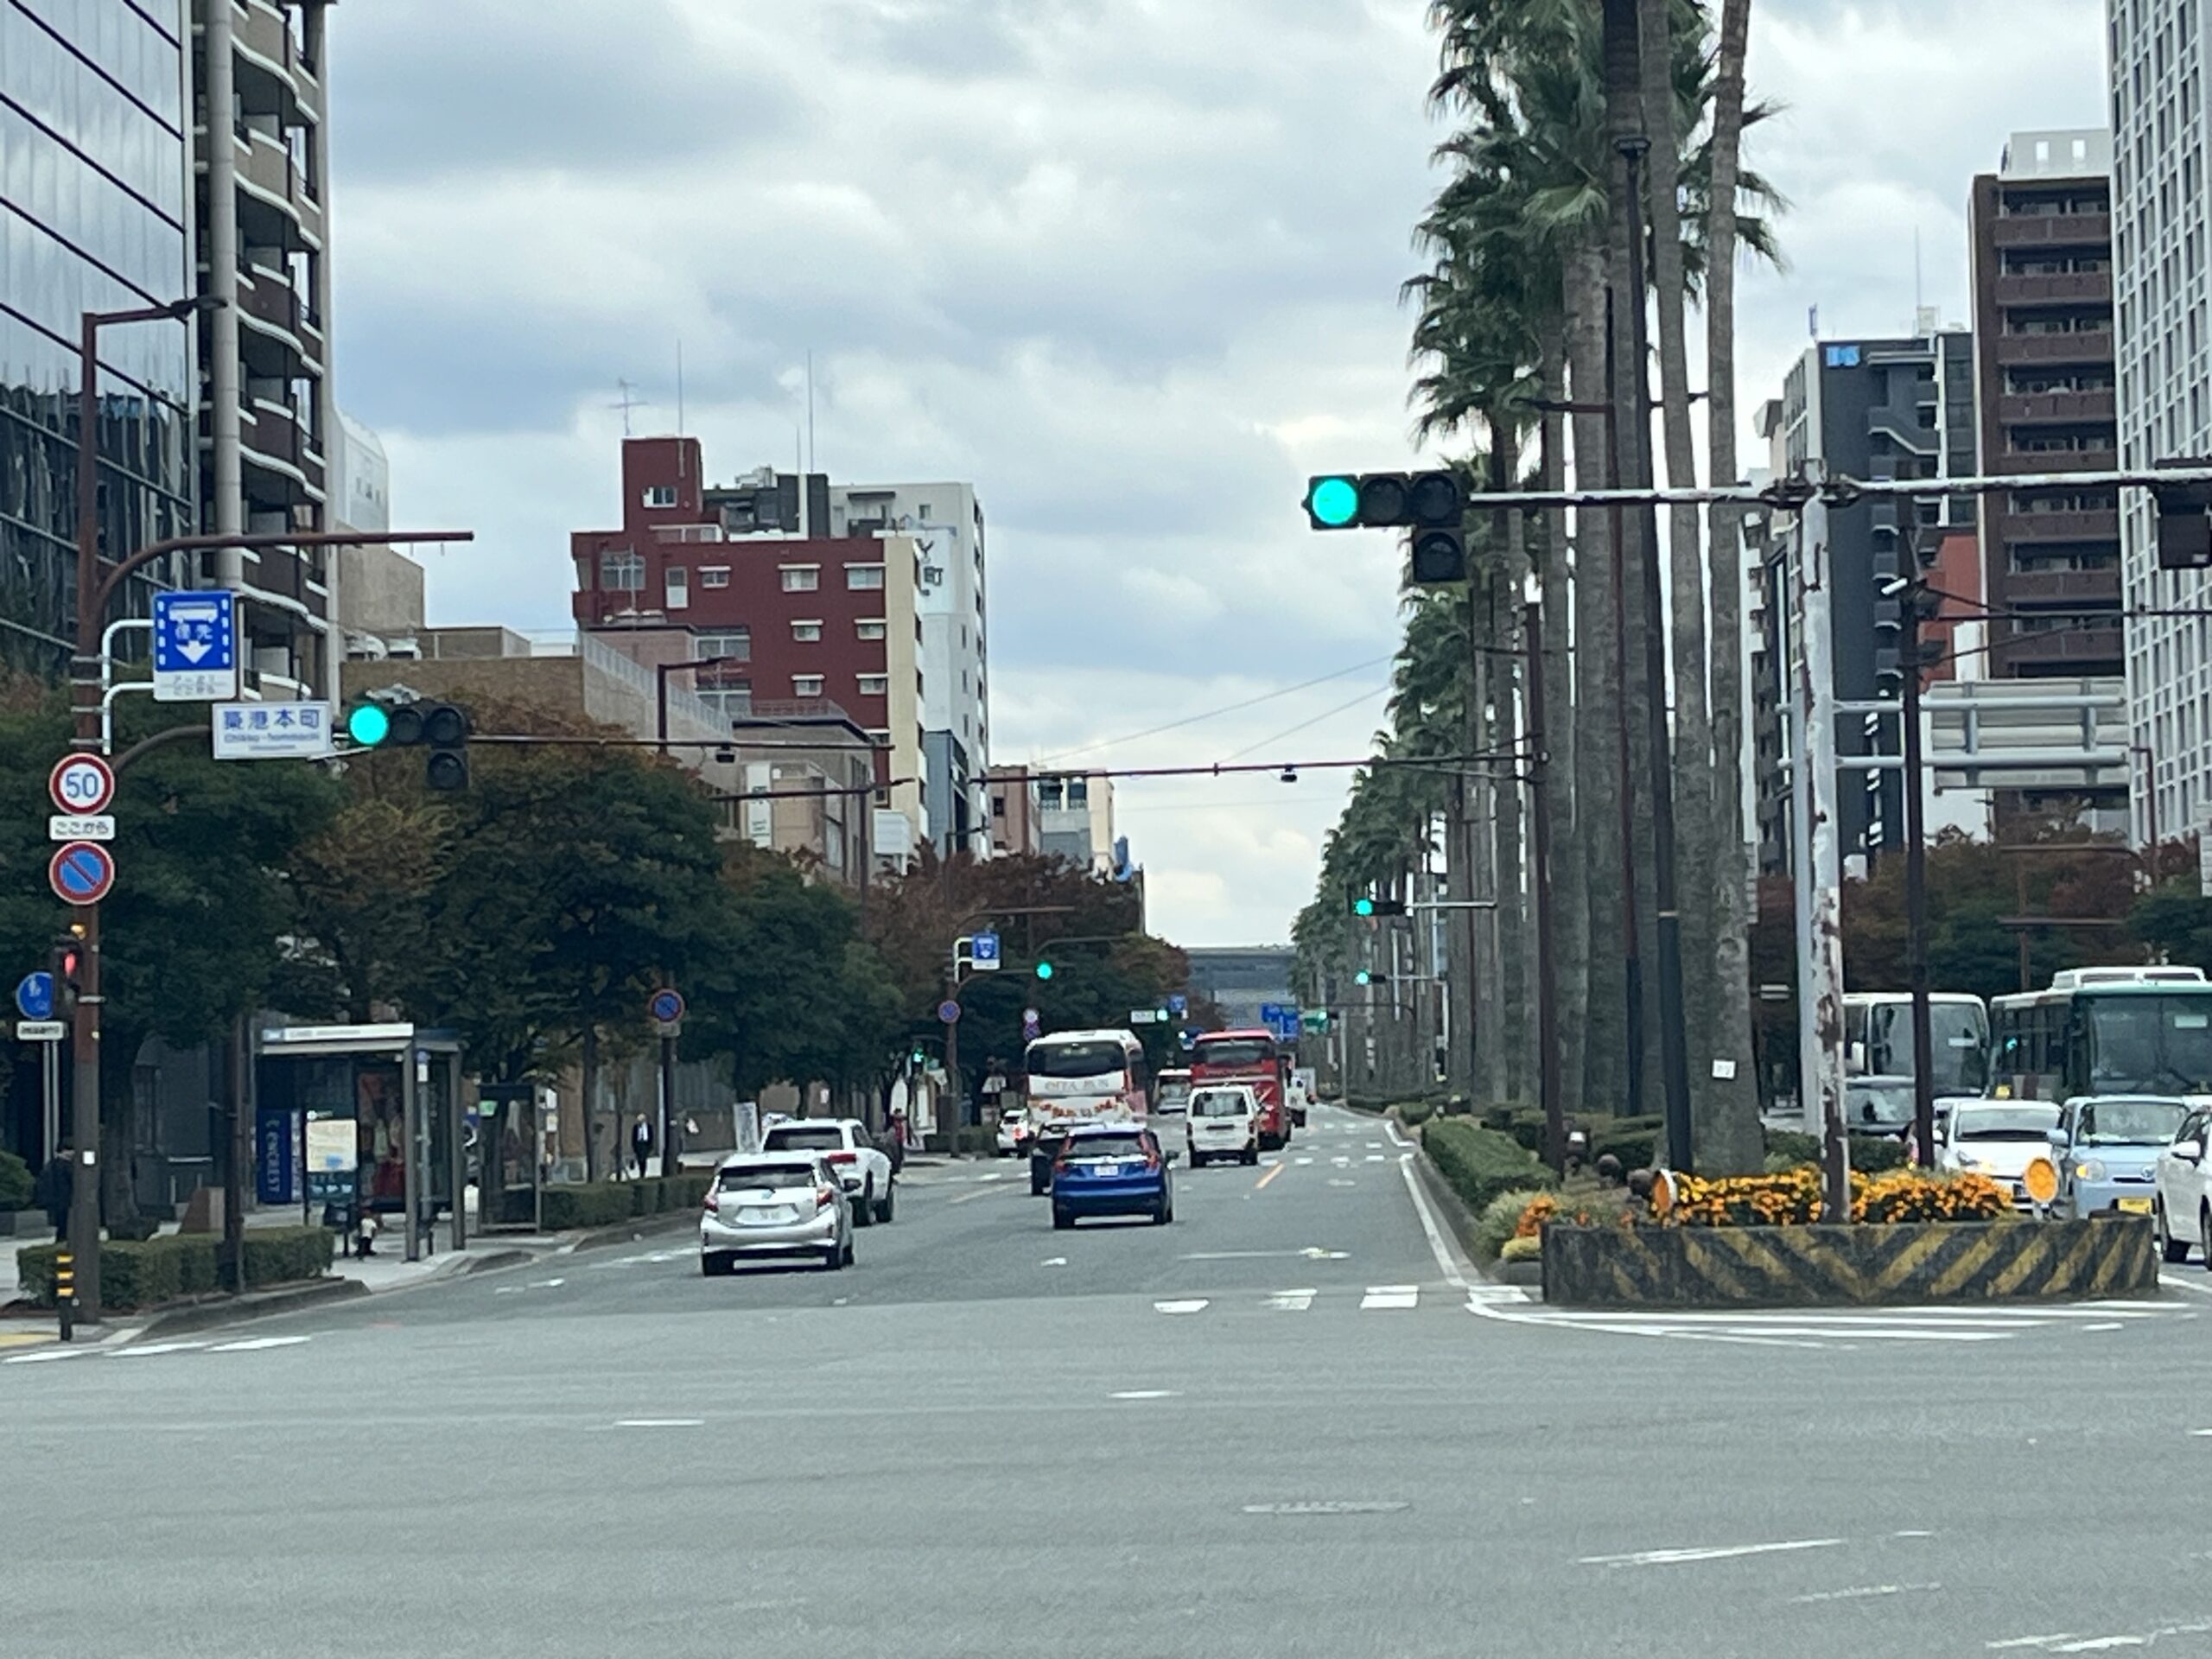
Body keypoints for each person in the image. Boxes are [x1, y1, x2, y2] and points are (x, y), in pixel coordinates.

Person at [33, 1150, 71, 1243]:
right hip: (64, 1199)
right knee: (65, 1223)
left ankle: (61, 1241)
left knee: (62, 1225)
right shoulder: (66, 1166)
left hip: (55, 1199)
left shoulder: (51, 1165)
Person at [631, 1115, 652, 1179]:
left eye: (641, 1120)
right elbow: (633, 1137)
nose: (640, 1121)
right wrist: (634, 1145)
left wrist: (650, 1145)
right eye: (639, 1120)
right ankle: (641, 1171)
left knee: (644, 1158)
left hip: (645, 1144)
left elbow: (651, 1136)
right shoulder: (636, 1127)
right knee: (639, 1159)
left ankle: (643, 1173)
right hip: (638, 1143)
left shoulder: (649, 1127)